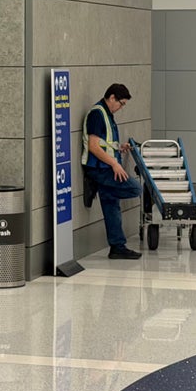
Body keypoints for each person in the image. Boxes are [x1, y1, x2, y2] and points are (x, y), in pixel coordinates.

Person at [82, 83, 144, 259]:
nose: (121, 107)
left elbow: (104, 143)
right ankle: (97, 184)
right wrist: (115, 164)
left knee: (111, 205)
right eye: (121, 103)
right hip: (100, 169)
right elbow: (93, 146)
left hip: (105, 167)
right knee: (136, 188)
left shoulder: (107, 114)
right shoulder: (97, 114)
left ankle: (117, 246)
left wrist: (119, 147)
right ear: (111, 98)